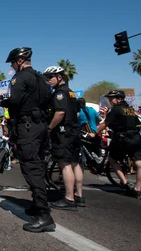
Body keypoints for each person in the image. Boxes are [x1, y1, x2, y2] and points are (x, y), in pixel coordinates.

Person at [0, 47, 55, 232]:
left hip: (27, 127)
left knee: (31, 168)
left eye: (13, 63)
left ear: (20, 61)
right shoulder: (41, 79)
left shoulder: (20, 77)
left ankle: (44, 215)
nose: (13, 67)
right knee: (38, 165)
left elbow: (14, 100)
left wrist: (3, 102)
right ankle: (37, 204)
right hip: (40, 127)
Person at [43, 66, 84, 210]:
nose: (48, 80)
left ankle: (69, 198)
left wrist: (49, 128)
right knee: (75, 163)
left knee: (65, 164)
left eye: (50, 77)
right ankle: (79, 195)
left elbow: (60, 113)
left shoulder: (60, 93)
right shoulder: (71, 92)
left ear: (59, 77)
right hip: (74, 131)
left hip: (63, 133)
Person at [94, 90, 141, 199]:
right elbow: (139, 124)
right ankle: (138, 190)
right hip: (136, 138)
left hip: (122, 139)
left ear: (119, 99)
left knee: (112, 160)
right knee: (140, 164)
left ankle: (124, 182)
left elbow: (105, 123)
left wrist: (95, 133)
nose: (110, 101)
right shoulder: (131, 110)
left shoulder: (115, 110)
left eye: (111, 98)